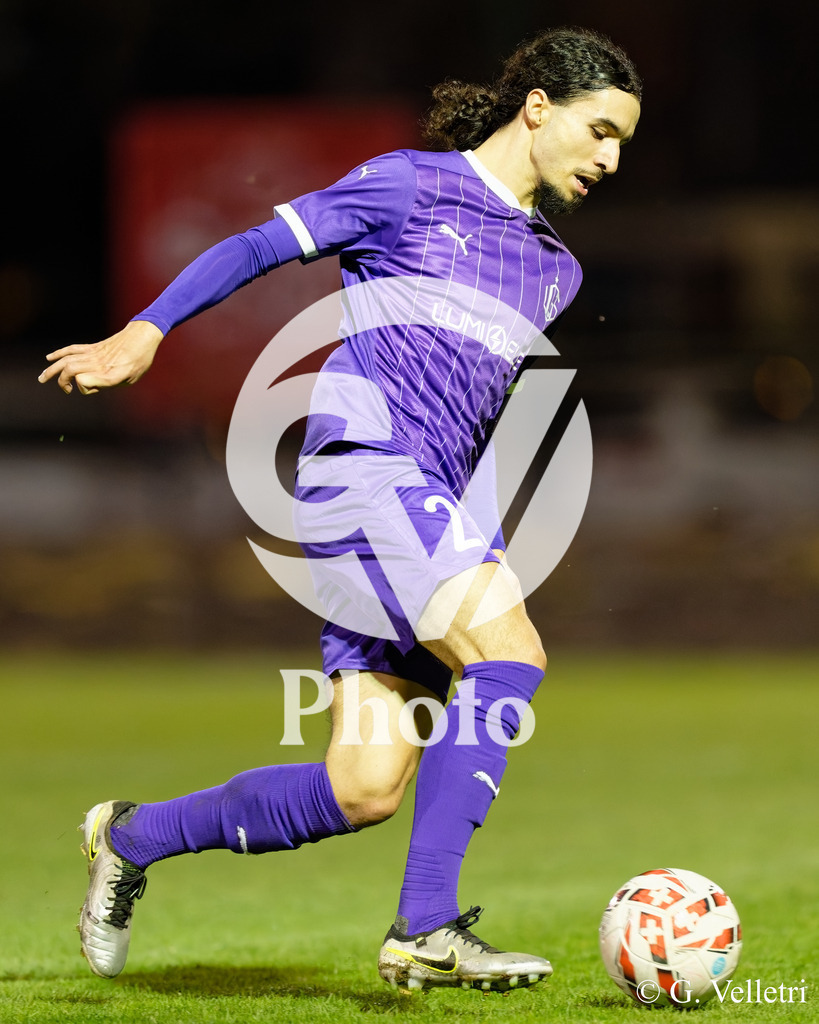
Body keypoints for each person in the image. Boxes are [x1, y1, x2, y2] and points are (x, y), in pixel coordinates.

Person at [39, 26, 641, 994]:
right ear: (538, 108)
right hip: (365, 474)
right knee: (511, 654)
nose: (610, 159)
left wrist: (474, 530)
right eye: (600, 131)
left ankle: (132, 836)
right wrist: (147, 329)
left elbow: (469, 409)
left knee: (361, 790)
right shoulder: (409, 186)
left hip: (426, 508)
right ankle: (427, 928)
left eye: (623, 142)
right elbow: (258, 244)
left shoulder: (552, 271)